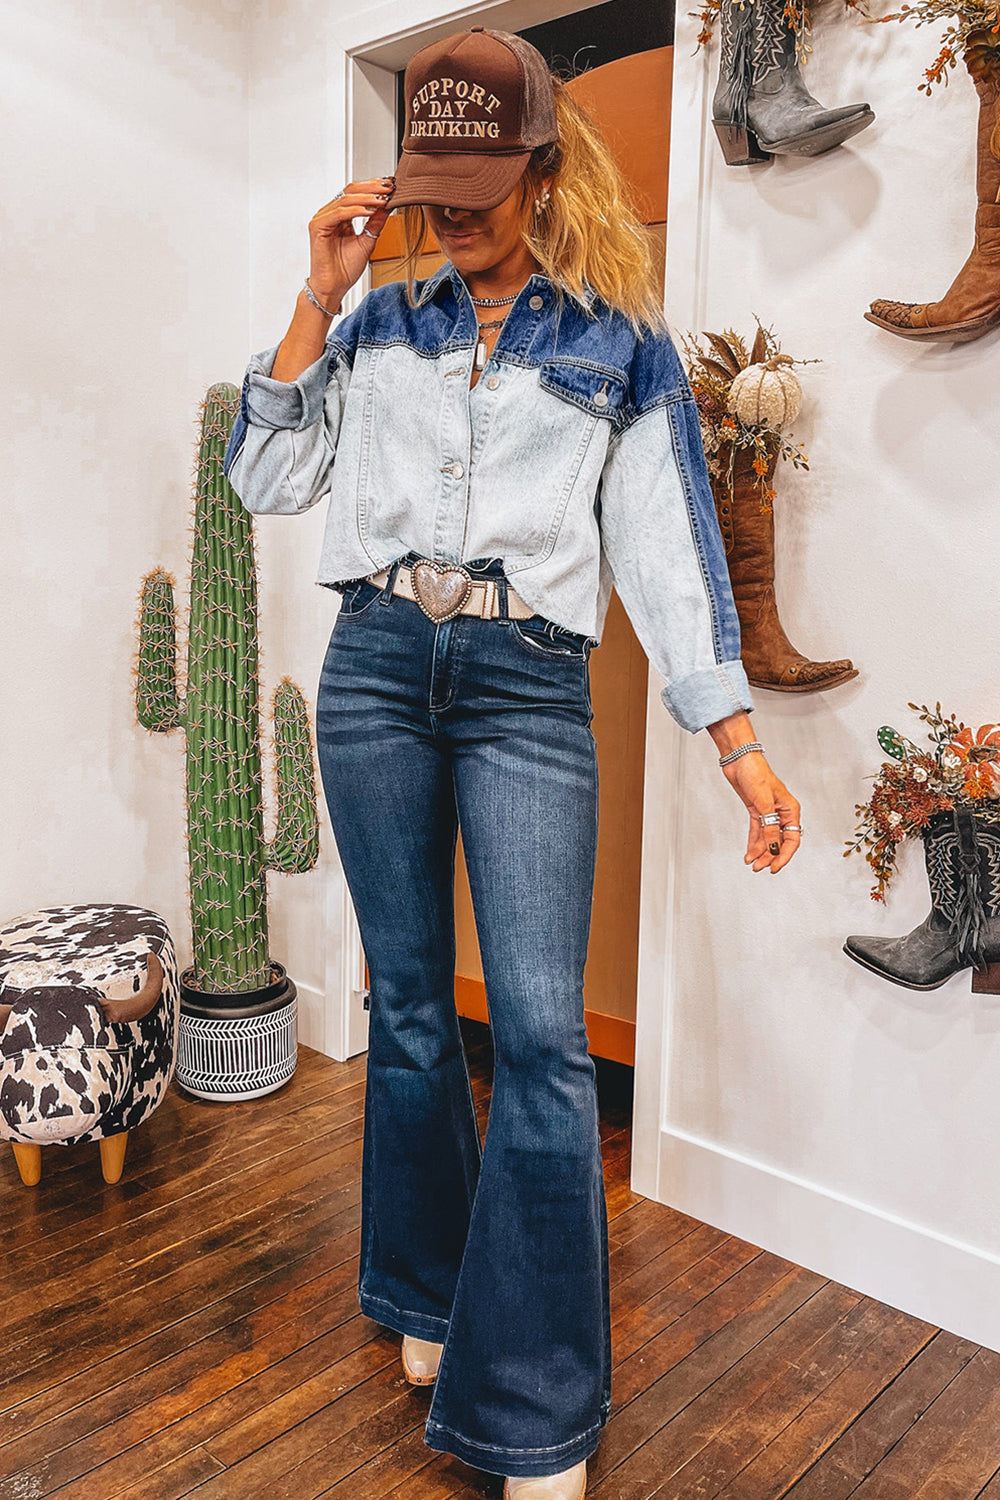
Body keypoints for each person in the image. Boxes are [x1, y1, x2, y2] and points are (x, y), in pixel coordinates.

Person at [223, 25, 802, 1500]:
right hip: (373, 668)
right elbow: (266, 475)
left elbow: (666, 553)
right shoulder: (376, 322)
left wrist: (735, 742)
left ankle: (535, 1410)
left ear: (545, 170)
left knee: (540, 1041)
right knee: (413, 1009)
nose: (458, 213)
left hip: (525, 687)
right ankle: (424, 1294)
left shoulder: (618, 345)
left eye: (482, 186)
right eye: (437, 185)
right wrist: (317, 291)